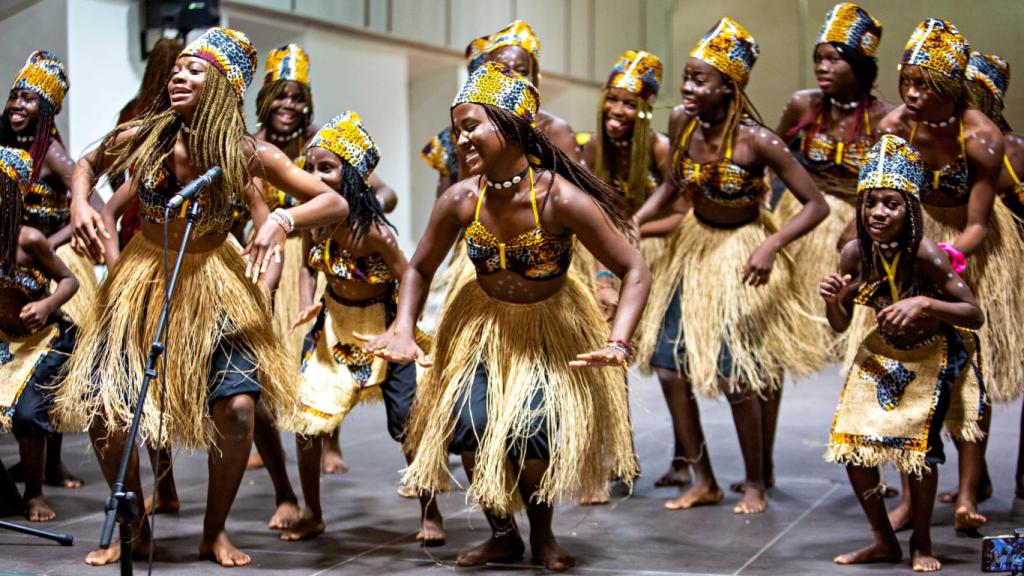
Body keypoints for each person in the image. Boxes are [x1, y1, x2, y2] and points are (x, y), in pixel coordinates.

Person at [52, 27, 348, 567]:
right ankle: (134, 528)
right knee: (104, 409)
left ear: (222, 86)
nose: (178, 75)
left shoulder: (243, 152)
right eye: (177, 68)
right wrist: (80, 205)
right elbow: (85, 165)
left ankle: (214, 531)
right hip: (142, 277)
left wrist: (282, 221)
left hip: (214, 281)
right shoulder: (146, 134)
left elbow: (334, 204)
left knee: (237, 409)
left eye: (194, 70)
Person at [361, 61, 648, 571]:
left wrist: (619, 341)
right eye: (456, 131)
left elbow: (633, 267)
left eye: (471, 127)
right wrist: (403, 326)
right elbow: (420, 269)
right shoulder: (460, 199)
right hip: (481, 323)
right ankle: (502, 534)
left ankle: (543, 536)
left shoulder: (560, 197)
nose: (460, 141)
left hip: (546, 324)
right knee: (469, 426)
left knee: (533, 430)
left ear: (513, 127)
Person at [632, 17, 829, 515]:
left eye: (702, 80)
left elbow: (814, 205)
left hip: (741, 252)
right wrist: (637, 219)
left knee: (741, 374)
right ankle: (704, 479)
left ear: (729, 86)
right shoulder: (680, 122)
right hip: (694, 250)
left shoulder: (758, 141)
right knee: (668, 367)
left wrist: (771, 245)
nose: (689, 88)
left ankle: (756, 482)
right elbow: (673, 184)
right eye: (688, 78)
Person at [273, 111, 444, 544]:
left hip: (382, 328)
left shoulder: (373, 233)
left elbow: (410, 276)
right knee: (307, 421)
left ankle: (431, 511)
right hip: (333, 328)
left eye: (326, 168)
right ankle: (313, 512)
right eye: (309, 168)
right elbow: (310, 268)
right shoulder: (317, 221)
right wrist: (305, 303)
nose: (314, 176)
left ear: (354, 176)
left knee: (406, 422)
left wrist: (402, 330)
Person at [876, 18, 1019, 533]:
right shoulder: (893, 129)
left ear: (952, 87)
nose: (911, 94)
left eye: (924, 85)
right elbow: (882, 199)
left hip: (969, 247)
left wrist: (943, 263)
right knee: (906, 371)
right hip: (913, 237)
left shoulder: (981, 136)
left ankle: (965, 493)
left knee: (968, 376)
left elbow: (980, 222)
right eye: (906, 81)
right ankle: (912, 496)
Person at [822, 134, 984, 573]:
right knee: (853, 451)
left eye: (891, 204)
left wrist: (927, 303)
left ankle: (922, 543)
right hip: (881, 352)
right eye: (871, 202)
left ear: (909, 210)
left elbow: (973, 314)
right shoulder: (855, 252)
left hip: (932, 354)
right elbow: (838, 325)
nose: (878, 212)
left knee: (917, 453)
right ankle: (884, 541)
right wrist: (833, 301)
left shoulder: (926, 254)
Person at [579, 50, 688, 487]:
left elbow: (681, 213)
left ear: (645, 108)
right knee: (610, 353)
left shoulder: (659, 148)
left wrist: (637, 229)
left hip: (657, 255)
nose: (618, 111)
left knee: (670, 364)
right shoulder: (593, 147)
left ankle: (685, 457)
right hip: (607, 257)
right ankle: (619, 455)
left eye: (630, 103)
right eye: (613, 99)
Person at [2, 50, 98, 491]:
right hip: (8, 260)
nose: (19, 106)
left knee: (49, 367)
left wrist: (54, 240)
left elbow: (91, 206)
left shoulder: (55, 154)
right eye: (15, 97)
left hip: (48, 258)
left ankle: (50, 465)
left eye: (30, 100)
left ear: (47, 110)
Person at [775, 3, 893, 350]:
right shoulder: (803, 104)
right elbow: (772, 156)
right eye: (818, 58)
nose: (821, 68)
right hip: (803, 215)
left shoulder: (886, 118)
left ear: (857, 65)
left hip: (860, 221)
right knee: (793, 328)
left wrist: (862, 222)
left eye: (832, 59)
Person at [0, 146, 78, 522]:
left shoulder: (29, 240)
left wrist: (47, 305)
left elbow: (69, 280)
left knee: (28, 414)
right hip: (4, 342)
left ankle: (34, 493)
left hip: (44, 339)